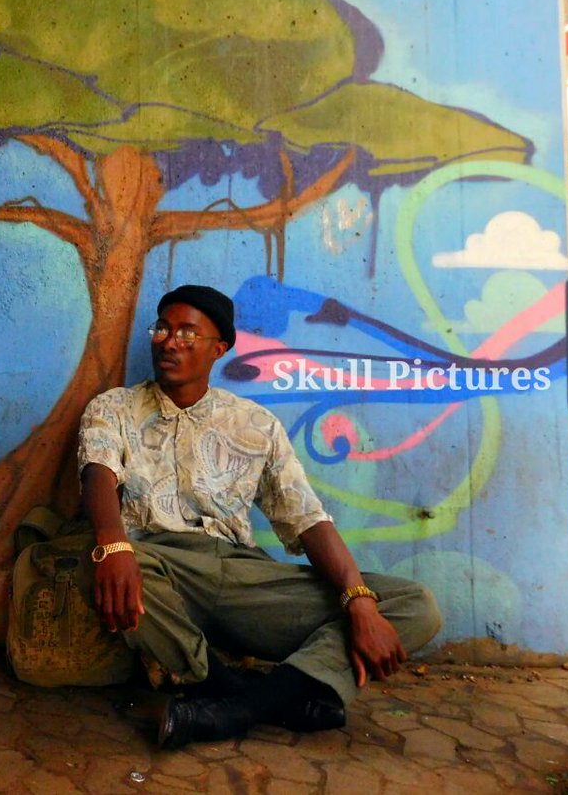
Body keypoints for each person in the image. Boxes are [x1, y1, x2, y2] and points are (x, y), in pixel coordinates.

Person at [78, 284, 441, 748]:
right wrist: (113, 545)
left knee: (414, 605)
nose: (170, 342)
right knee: (109, 561)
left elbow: (306, 517)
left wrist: (359, 601)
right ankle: (238, 690)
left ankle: (239, 708)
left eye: (188, 333)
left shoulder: (256, 424)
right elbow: (98, 473)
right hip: (165, 571)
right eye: (163, 329)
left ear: (219, 349)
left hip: (244, 579)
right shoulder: (114, 407)